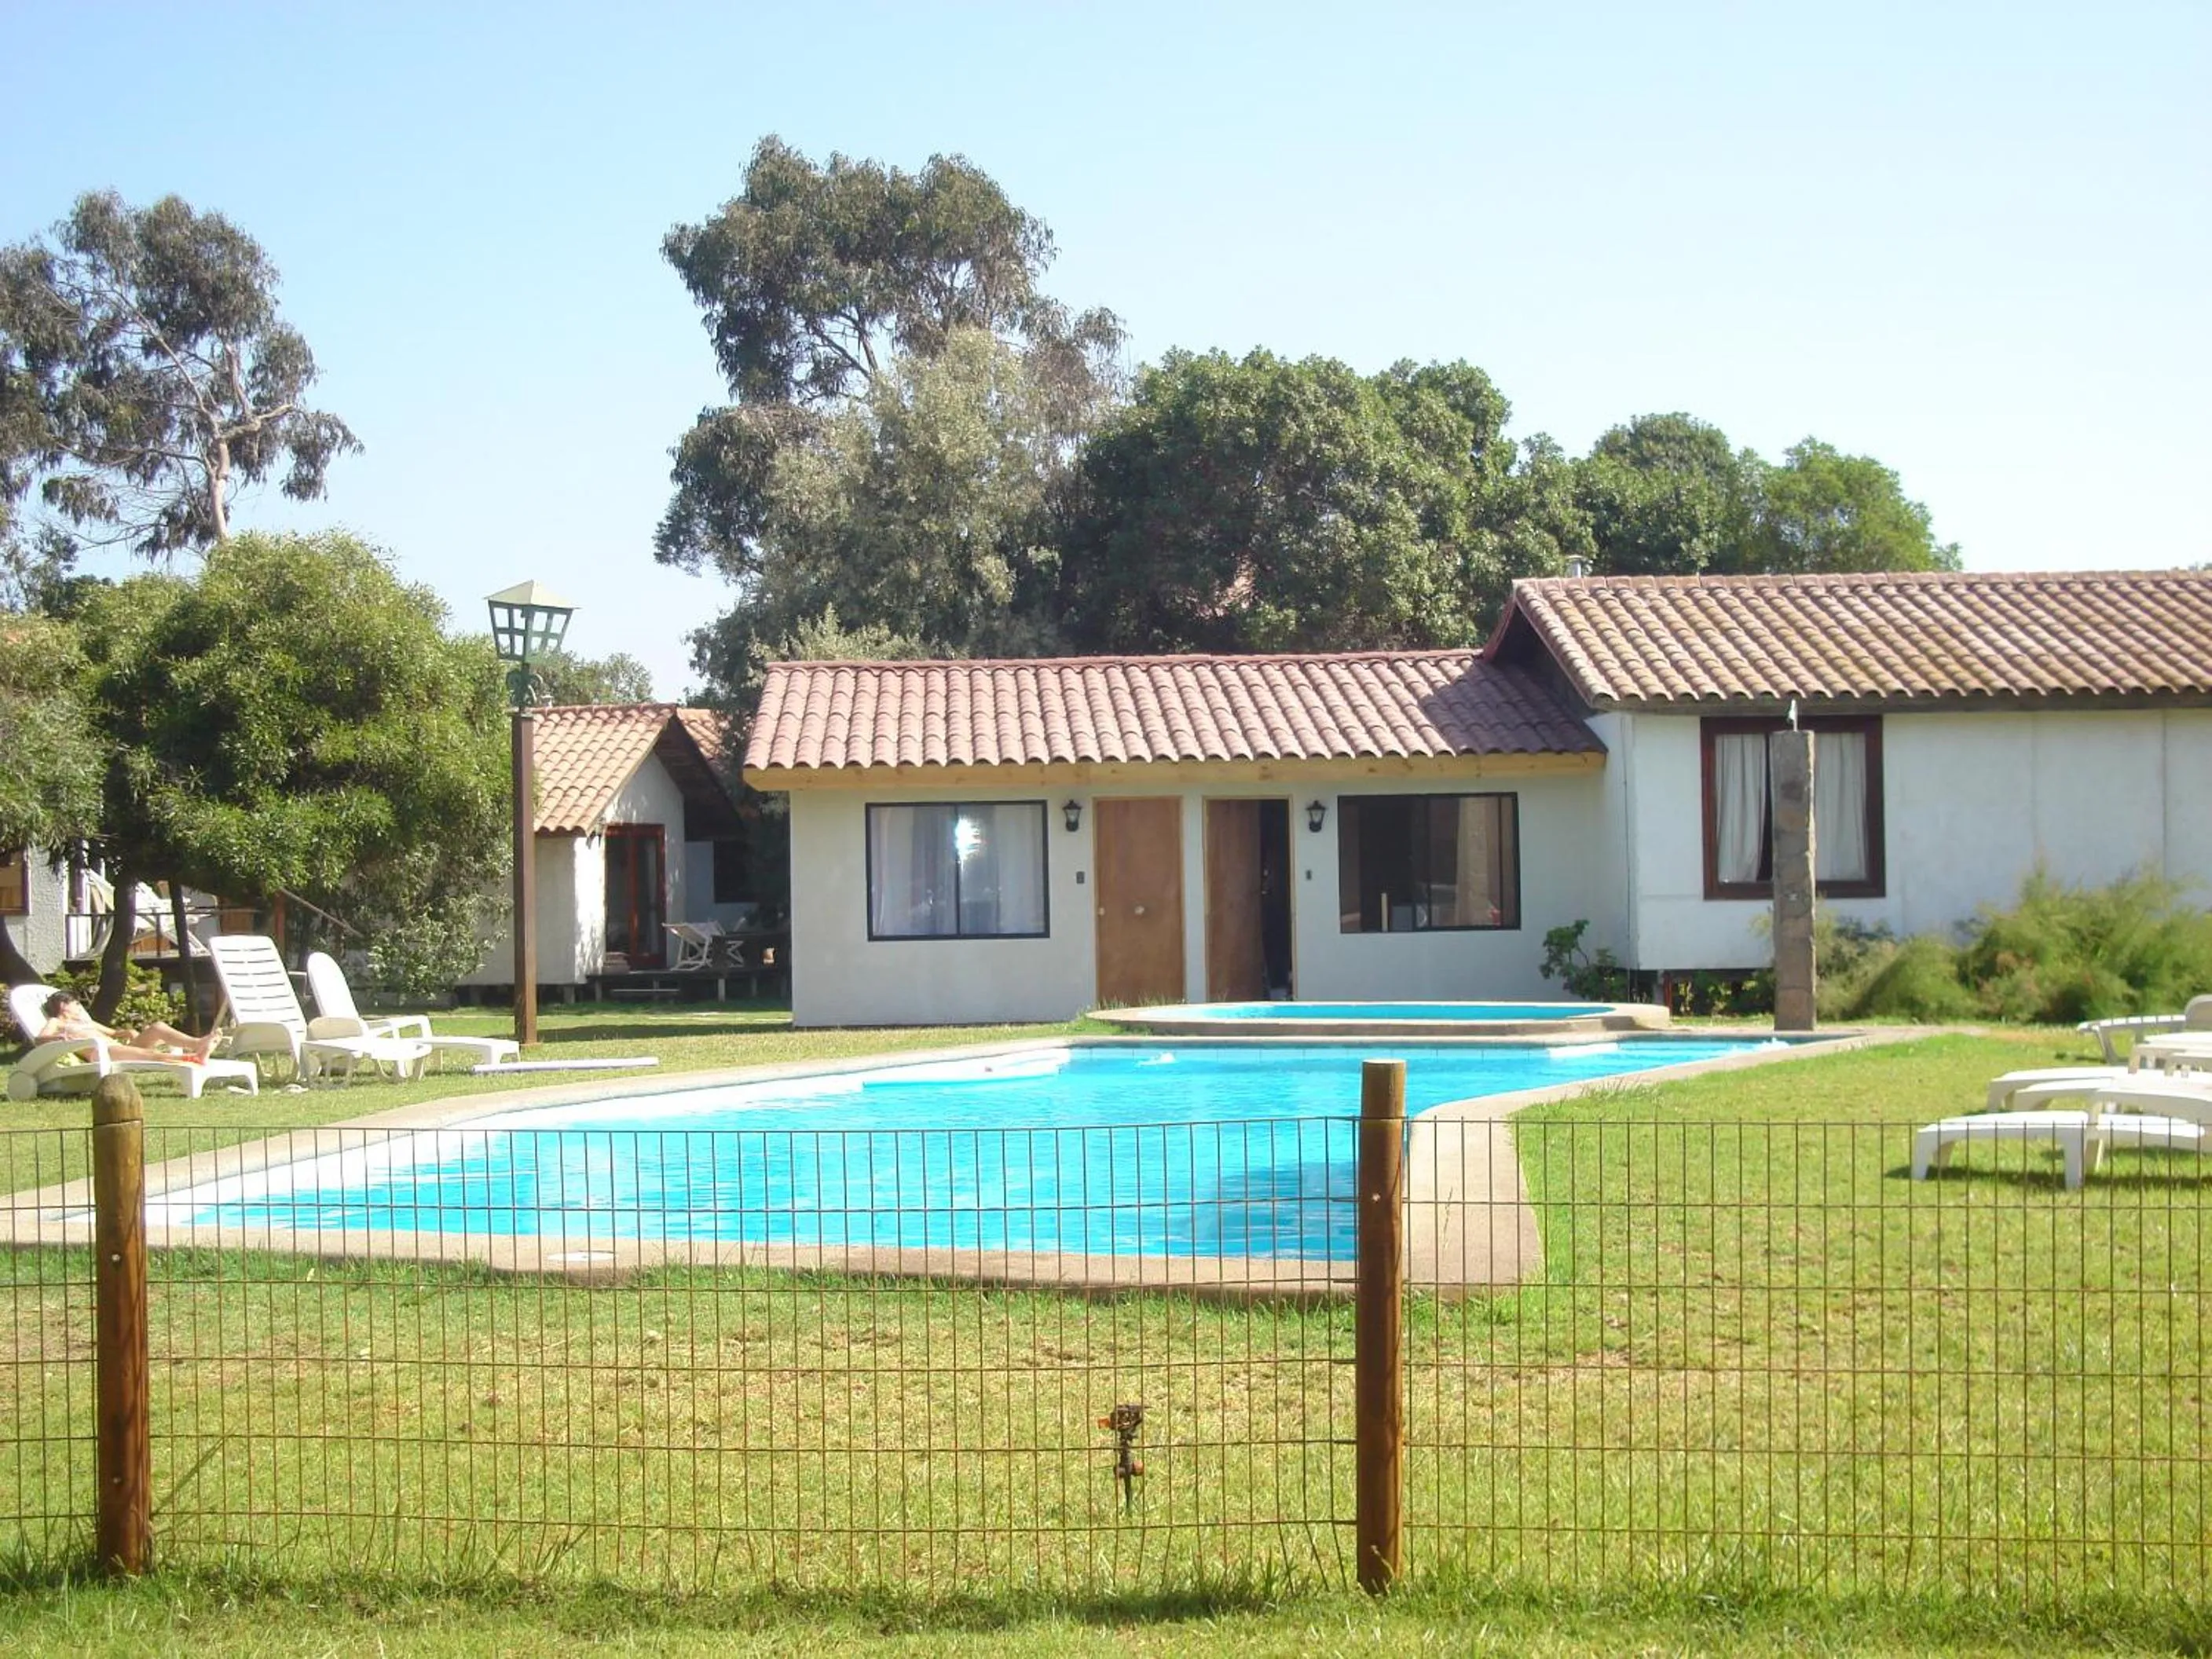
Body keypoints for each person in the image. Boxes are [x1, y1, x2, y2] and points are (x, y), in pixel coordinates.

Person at [38, 991, 218, 1062]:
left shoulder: (85, 1022)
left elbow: (114, 1033)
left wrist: (129, 1032)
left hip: (116, 1047)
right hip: (102, 1054)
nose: (80, 1007)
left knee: (158, 1026)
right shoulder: (57, 1023)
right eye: (75, 1004)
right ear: (63, 1006)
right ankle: (192, 1058)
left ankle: (198, 1043)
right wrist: (57, 1038)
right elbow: (38, 1040)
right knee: (148, 1055)